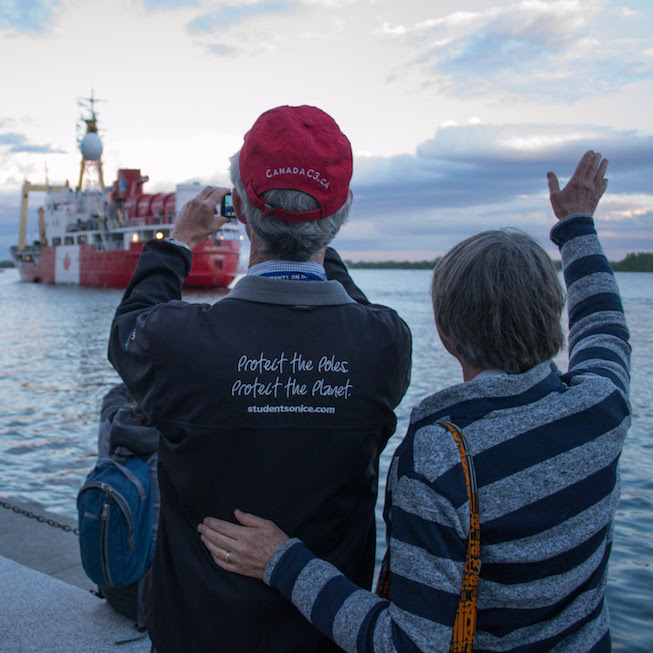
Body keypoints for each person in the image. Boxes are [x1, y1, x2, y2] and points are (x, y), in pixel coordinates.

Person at [198, 150, 631, 652]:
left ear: (446, 336)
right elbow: (604, 324)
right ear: (554, 313)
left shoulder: (445, 458)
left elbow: (409, 644)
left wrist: (284, 561)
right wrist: (578, 224)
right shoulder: (602, 404)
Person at [108, 105, 412, 653]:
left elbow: (128, 328)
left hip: (195, 636)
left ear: (241, 210)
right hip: (326, 638)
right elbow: (356, 309)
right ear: (340, 214)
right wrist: (315, 237)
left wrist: (177, 242)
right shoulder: (386, 345)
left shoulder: (180, 343)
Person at [95, 383, 161, 627]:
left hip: (111, 581)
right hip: (157, 600)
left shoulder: (112, 419)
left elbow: (118, 391)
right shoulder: (173, 432)